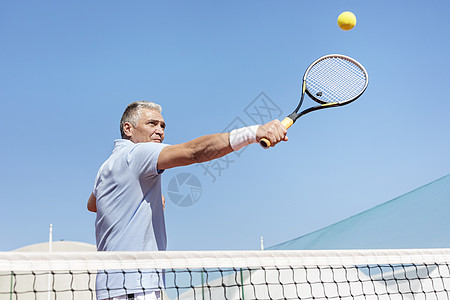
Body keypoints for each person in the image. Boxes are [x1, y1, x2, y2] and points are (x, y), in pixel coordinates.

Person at [88, 101, 287, 300]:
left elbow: (93, 204)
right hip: (134, 285)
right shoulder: (137, 153)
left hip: (112, 286)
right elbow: (194, 152)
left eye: (162, 126)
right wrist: (253, 132)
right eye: (152, 123)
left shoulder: (106, 166)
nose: (159, 130)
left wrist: (139, 193)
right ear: (128, 128)